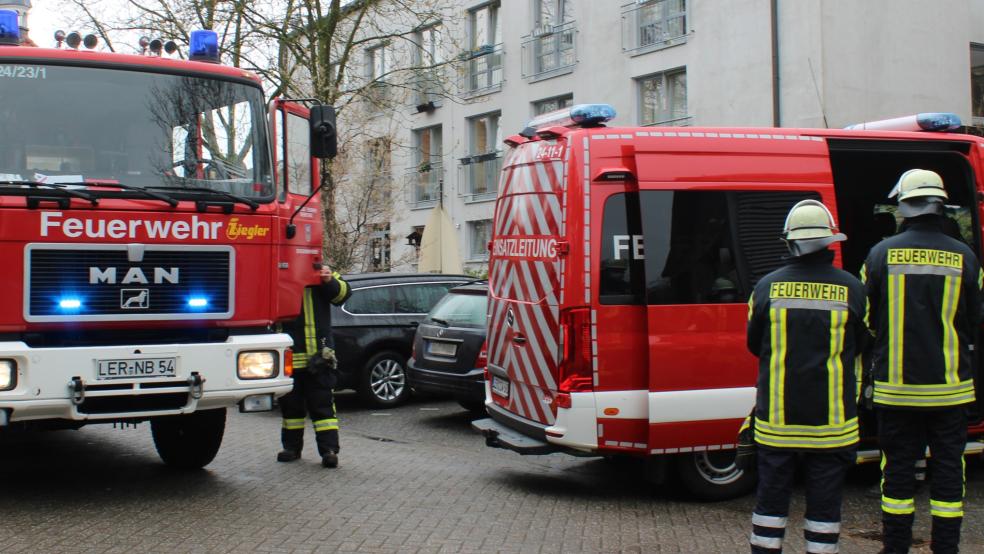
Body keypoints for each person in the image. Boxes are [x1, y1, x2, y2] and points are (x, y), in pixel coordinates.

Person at [861, 169, 982, 554]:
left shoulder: (879, 254)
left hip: (896, 391)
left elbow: (865, 320)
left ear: (905, 207)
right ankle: (945, 547)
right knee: (948, 473)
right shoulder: (966, 257)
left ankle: (895, 547)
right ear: (940, 205)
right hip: (950, 391)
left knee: (896, 472)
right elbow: (976, 320)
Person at [746, 199, 868, 554]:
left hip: (777, 424)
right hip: (832, 426)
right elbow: (861, 343)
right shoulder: (853, 289)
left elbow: (756, 345)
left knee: (769, 508)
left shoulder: (766, 288)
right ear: (830, 241)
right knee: (824, 511)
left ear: (790, 241)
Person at [277, 265, 351, 468]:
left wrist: (328, 280)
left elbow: (342, 294)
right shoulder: (280, 271)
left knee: (323, 406)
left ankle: (329, 451)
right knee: (291, 407)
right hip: (289, 354)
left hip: (319, 356)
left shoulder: (321, 270)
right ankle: (291, 448)